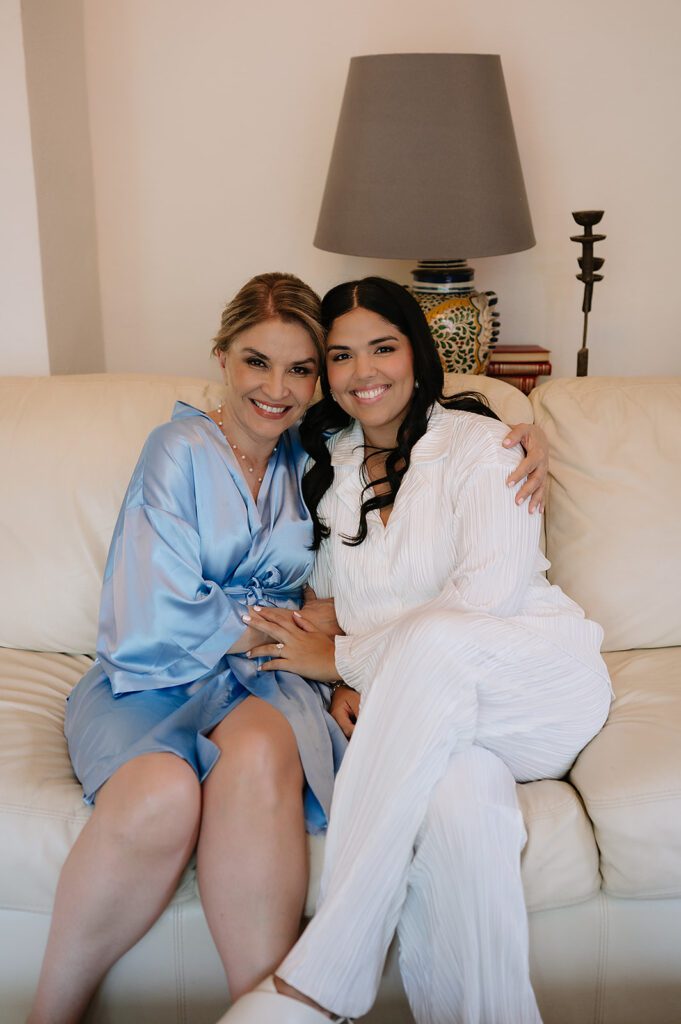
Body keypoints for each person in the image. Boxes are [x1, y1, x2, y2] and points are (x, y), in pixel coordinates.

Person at [27, 273, 547, 1024]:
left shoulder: (313, 456)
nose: (276, 388)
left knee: (266, 752)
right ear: (221, 359)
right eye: (255, 363)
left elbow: (364, 561)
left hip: (262, 678)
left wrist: (529, 433)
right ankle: (52, 1012)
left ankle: (264, 1009)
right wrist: (290, 628)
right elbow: (148, 609)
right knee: (163, 798)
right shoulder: (176, 448)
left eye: (301, 368)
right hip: (155, 674)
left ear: (319, 383)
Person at [223, 277, 613, 1024]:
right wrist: (335, 668)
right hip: (443, 721)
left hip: (536, 687)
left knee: (438, 635)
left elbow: (479, 602)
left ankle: (325, 974)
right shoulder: (328, 467)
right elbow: (330, 611)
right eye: (339, 356)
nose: (362, 372)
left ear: (416, 353)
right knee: (460, 804)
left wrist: (344, 662)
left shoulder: (479, 444)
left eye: (382, 348)